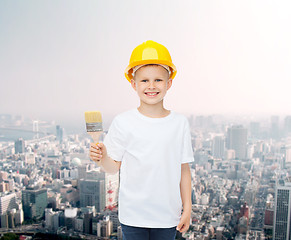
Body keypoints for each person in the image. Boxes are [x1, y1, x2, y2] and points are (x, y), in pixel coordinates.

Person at [89, 40, 194, 240]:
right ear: (133, 84)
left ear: (169, 83)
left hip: (167, 215)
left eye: (158, 80)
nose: (151, 86)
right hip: (133, 216)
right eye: (144, 80)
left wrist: (187, 208)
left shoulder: (179, 123)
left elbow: (184, 169)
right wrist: (101, 157)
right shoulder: (123, 122)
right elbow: (113, 168)